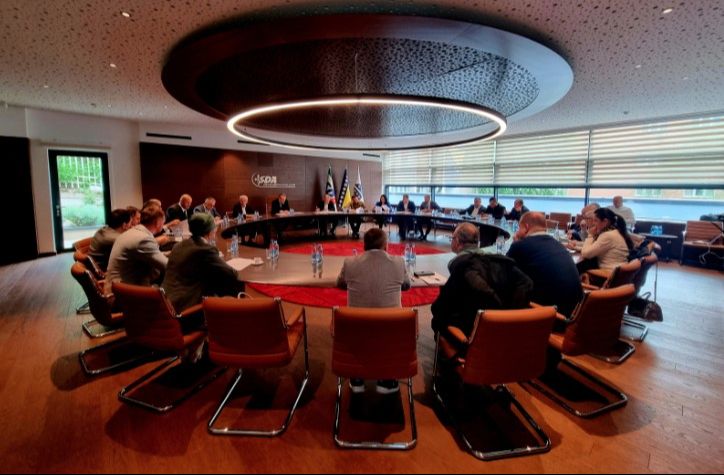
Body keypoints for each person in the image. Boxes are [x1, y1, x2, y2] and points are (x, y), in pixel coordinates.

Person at [431, 223, 533, 352]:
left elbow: (439, 308)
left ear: (457, 242)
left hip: (475, 337)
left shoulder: (463, 267)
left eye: (452, 238)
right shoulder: (500, 261)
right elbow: (527, 283)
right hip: (507, 334)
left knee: (438, 320)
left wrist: (496, 310)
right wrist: (510, 314)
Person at [336, 228, 411, 394]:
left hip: (356, 329)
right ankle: (387, 379)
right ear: (386, 246)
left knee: (360, 331)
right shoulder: (399, 262)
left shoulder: (350, 262)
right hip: (390, 329)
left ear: (364, 245)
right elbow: (407, 285)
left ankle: (357, 376)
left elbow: (340, 283)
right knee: (389, 328)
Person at [162, 213, 244, 313]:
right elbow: (232, 274)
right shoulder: (205, 249)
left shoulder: (178, 245)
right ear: (210, 231)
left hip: (165, 303)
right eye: (214, 227)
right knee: (230, 286)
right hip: (184, 307)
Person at [507, 212, 583, 318]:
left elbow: (504, 271)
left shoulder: (520, 246)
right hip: (575, 312)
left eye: (519, 228)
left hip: (549, 317)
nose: (517, 231)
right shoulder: (558, 244)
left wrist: (515, 244)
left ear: (526, 227)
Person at [104, 205, 168, 294]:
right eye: (163, 221)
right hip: (123, 293)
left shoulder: (133, 232)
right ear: (157, 223)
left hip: (117, 286)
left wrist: (170, 254)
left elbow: (149, 255)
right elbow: (167, 266)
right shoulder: (143, 239)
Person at [572, 207, 633, 273]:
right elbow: (595, 248)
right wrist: (575, 247)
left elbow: (586, 254)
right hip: (618, 273)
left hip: (609, 274)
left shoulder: (608, 235)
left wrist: (590, 235)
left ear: (605, 222)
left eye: (595, 220)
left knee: (575, 268)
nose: (593, 223)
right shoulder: (614, 232)